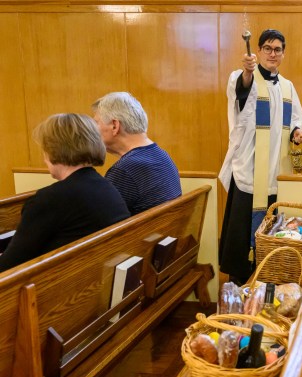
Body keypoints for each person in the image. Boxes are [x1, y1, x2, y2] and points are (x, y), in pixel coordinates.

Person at [219, 29, 302, 284]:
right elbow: (241, 92)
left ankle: (270, 280)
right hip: (250, 171)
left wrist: (298, 132)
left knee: (273, 230)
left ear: (283, 53)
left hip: (276, 173)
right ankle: (239, 285)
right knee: (242, 237)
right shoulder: (241, 77)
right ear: (257, 51)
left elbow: (294, 121)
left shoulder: (288, 87)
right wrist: (248, 71)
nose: (272, 53)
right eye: (267, 48)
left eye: (277, 49)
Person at [0, 114, 130, 272]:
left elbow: (8, 267)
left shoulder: (49, 200)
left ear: (53, 150)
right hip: (96, 278)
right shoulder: (105, 187)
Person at [92, 91, 181, 215]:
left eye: (96, 123)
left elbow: (99, 221)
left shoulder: (125, 170)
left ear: (114, 126)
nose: (93, 130)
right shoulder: (160, 154)